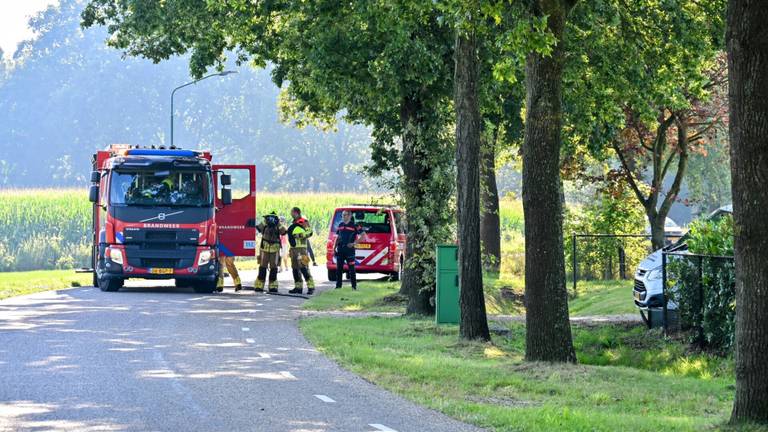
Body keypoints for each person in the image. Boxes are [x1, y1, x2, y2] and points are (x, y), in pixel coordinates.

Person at [254, 211, 285, 293]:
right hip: (264, 248)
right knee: (262, 267)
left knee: (274, 268)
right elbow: (258, 228)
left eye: (273, 218)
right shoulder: (265, 222)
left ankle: (273, 286)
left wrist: (277, 223)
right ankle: (259, 286)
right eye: (270, 217)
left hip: (275, 249)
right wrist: (265, 221)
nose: (271, 219)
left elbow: (284, 232)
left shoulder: (278, 224)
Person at [287, 207, 315, 295]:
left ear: (296, 213)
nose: (291, 214)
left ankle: (311, 287)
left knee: (304, 268)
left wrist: (299, 235)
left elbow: (310, 232)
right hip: (293, 249)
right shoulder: (293, 223)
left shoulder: (304, 221)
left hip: (302, 249)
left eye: (292, 212)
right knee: (295, 269)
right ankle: (298, 287)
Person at [334, 210, 362, 289]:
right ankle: (338, 286)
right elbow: (338, 237)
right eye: (342, 215)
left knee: (351, 269)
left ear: (350, 216)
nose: (343, 217)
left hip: (350, 251)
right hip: (340, 250)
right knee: (339, 269)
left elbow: (363, 236)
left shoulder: (355, 225)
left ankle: (354, 286)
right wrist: (334, 247)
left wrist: (354, 243)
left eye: (345, 215)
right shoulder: (340, 225)